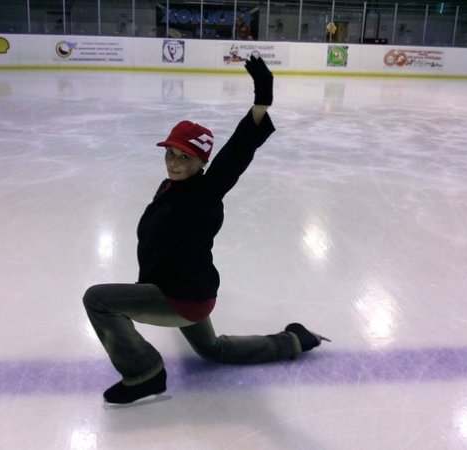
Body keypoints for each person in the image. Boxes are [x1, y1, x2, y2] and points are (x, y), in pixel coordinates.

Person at [83, 56, 330, 405]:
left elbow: (236, 154)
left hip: (181, 296)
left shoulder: (203, 193)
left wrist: (261, 102)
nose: (173, 162)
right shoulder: (171, 186)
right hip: (189, 288)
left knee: (98, 300)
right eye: (170, 154)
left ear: (202, 162)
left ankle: (144, 372)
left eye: (183, 157)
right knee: (213, 350)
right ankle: (294, 340)